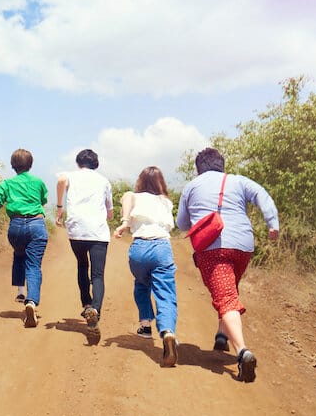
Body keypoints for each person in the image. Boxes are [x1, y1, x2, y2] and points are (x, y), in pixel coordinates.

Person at [176, 147, 279, 382]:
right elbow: (261, 194)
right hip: (243, 246)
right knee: (229, 289)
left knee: (226, 298)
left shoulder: (191, 186)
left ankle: (242, 352)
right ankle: (221, 336)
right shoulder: (238, 181)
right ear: (221, 165)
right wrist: (272, 223)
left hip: (212, 248)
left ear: (199, 168)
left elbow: (182, 224)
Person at [113, 166, 179, 367]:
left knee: (142, 285)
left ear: (140, 181)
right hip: (162, 247)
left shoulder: (133, 196)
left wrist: (125, 223)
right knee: (165, 292)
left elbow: (126, 197)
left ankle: (145, 326)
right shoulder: (166, 201)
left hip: (140, 247)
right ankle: (167, 332)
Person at [55, 149, 113, 332]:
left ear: (78, 162)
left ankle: (87, 304)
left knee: (82, 265)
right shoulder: (104, 181)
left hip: (77, 231)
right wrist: (108, 214)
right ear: (96, 164)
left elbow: (61, 180)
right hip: (98, 233)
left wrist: (59, 207)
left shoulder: (71, 176)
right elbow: (110, 212)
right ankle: (95, 309)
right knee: (98, 275)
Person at [0, 148, 49, 328]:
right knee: (33, 265)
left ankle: (20, 290)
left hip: (15, 226)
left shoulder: (7, 183)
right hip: (36, 225)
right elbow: (43, 200)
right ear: (30, 164)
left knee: (19, 253)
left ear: (13, 165)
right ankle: (31, 301)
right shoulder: (38, 182)